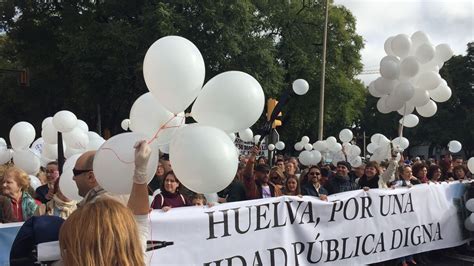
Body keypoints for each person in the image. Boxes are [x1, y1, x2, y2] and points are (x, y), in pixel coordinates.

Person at [59, 140, 151, 265]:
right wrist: (141, 170)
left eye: (75, 173)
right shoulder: (134, 250)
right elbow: (140, 222)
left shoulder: (96, 210)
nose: (73, 178)